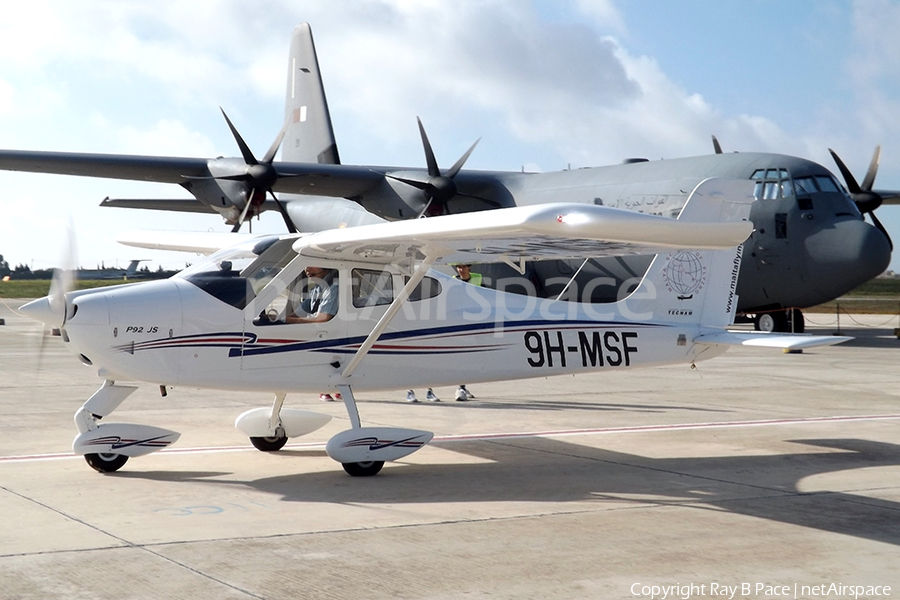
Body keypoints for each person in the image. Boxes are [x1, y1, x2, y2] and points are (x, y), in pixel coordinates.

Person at [452, 264, 480, 401]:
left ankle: (463, 385)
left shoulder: (478, 279)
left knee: (472, 357)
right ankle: (460, 388)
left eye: (463, 267)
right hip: (459, 323)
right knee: (461, 356)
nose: (461, 270)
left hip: (474, 323)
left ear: (469, 268)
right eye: (458, 267)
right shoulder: (452, 280)